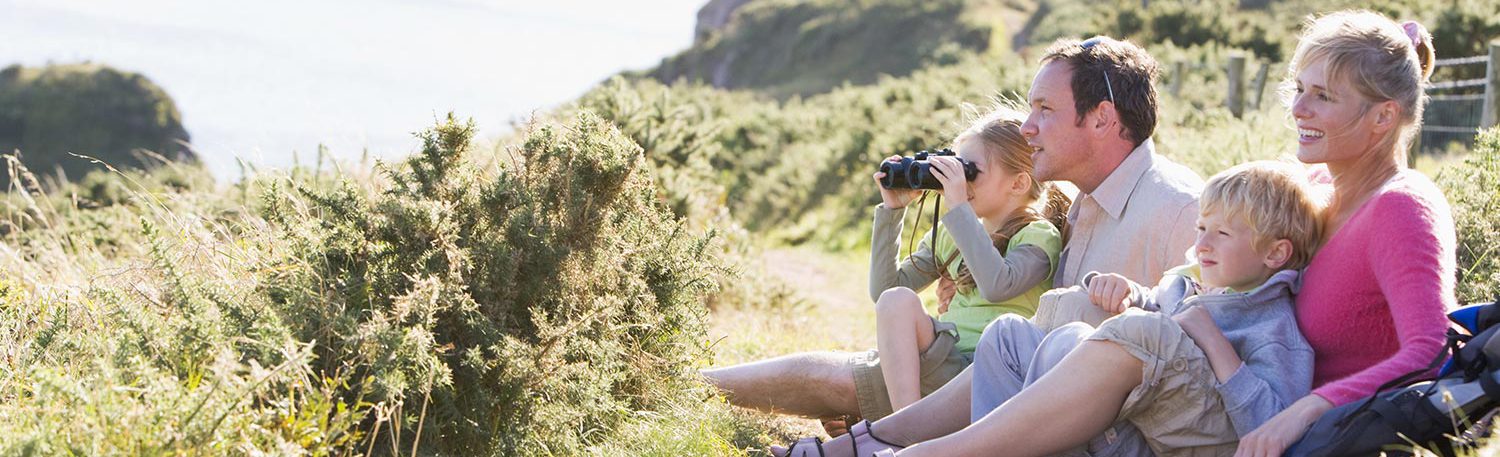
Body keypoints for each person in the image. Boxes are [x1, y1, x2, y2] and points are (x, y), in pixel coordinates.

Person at [784, 11, 1456, 457]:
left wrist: (1306, 408)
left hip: (1292, 426)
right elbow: (1227, 287)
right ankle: (878, 438)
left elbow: (1428, 351)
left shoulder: (1401, 205)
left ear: (1380, 118)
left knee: (1136, 333)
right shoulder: (1314, 194)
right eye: (1298, 89)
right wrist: (1143, 292)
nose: (1298, 109)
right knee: (1060, 310)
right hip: (1237, 390)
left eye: (1322, 97)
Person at [773, 35, 1207, 456]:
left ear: (1102, 118)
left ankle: (878, 441)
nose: (1027, 126)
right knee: (999, 338)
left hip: (1095, 434)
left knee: (829, 378)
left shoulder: (1179, 211)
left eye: (1045, 109)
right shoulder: (1084, 205)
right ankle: (875, 438)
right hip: (1029, 408)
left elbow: (1195, 374)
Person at [700, 103, 1069, 425]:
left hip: (984, 374)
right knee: (884, 311)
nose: (956, 179)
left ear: (1019, 183)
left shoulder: (1037, 236)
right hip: (939, 365)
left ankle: (903, 430)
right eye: (954, 167)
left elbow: (998, 284)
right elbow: (886, 291)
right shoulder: (953, 231)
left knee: (826, 375)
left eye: (968, 170)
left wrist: (958, 209)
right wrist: (893, 212)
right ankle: (694, 383)